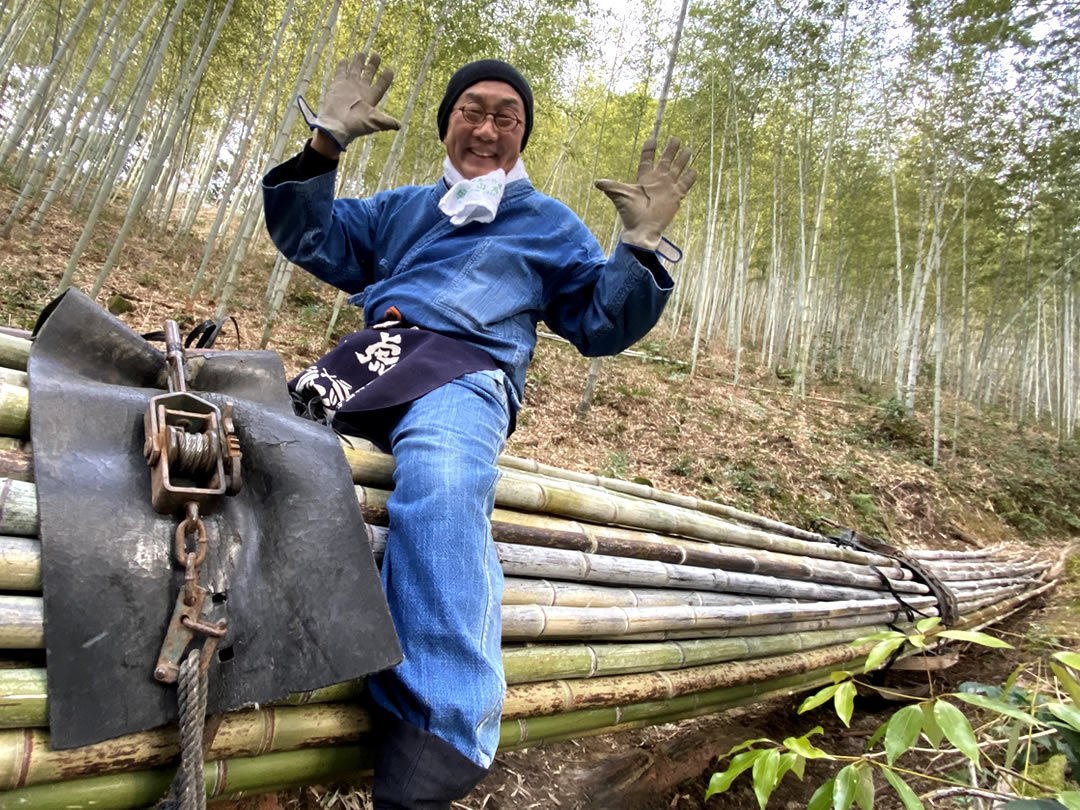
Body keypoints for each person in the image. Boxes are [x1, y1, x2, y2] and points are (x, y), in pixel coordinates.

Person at [262, 52, 696, 810]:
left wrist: (639, 247)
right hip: (372, 360)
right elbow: (312, 238)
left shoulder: (549, 224)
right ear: (448, 123)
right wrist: (325, 142)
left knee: (445, 480)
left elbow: (599, 323)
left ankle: (443, 726)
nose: (488, 126)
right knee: (264, 439)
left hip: (467, 373)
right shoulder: (400, 208)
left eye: (507, 116)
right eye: (474, 110)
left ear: (522, 136)